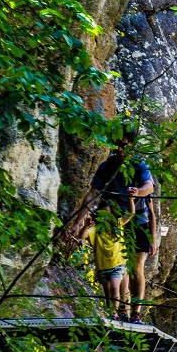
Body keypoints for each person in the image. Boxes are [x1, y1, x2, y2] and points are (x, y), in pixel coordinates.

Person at [68, 127, 157, 324]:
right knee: (119, 266)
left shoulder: (138, 164)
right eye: (116, 144)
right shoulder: (106, 166)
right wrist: (77, 223)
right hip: (112, 222)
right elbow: (92, 195)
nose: (118, 148)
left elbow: (149, 186)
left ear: (130, 145)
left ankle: (135, 313)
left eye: (123, 145)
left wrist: (136, 192)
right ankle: (121, 311)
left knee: (135, 267)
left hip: (136, 221)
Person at [78, 198, 135, 320]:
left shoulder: (118, 225)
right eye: (103, 214)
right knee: (108, 294)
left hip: (117, 265)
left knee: (115, 287)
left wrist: (130, 199)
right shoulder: (95, 231)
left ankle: (115, 314)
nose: (106, 218)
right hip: (102, 268)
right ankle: (112, 314)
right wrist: (85, 226)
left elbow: (130, 214)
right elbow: (82, 236)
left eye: (108, 215)